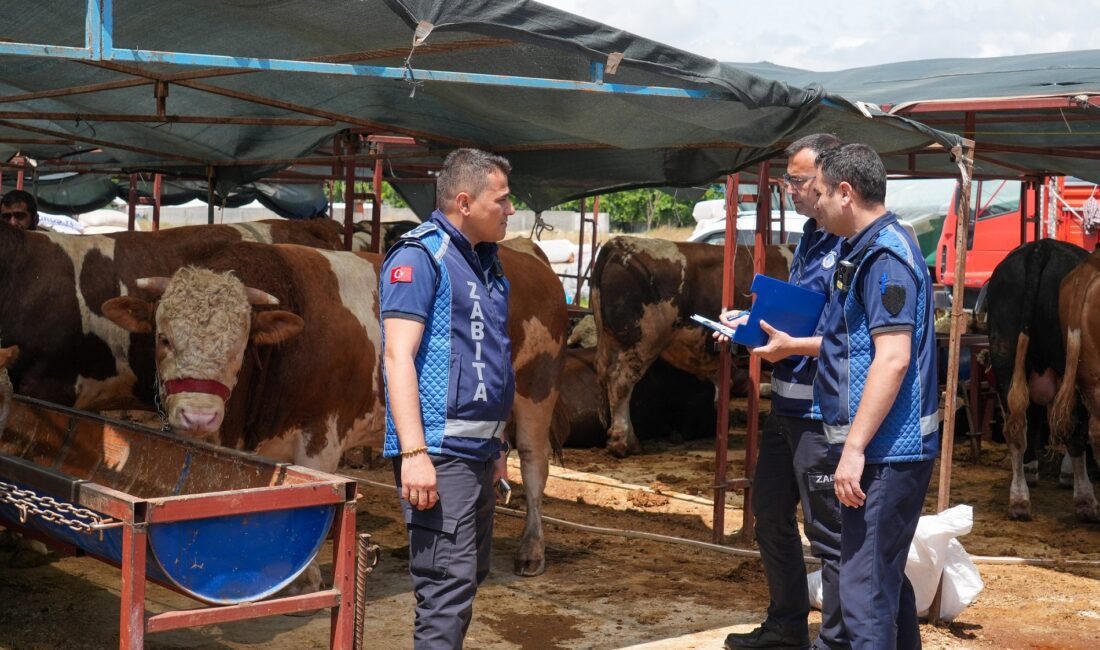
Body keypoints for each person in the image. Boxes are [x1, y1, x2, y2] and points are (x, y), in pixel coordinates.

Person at [379, 148, 516, 649]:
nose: (511, 210)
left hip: (476, 455)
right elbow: (397, 358)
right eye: (501, 200)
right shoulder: (419, 257)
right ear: (464, 201)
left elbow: (487, 359)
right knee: (445, 591)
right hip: (438, 454)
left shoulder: (486, 263)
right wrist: (414, 454)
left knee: (468, 578)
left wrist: (496, 447)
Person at [716, 134, 849, 650]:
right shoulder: (813, 236)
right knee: (768, 511)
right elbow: (801, 315)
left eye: (797, 180)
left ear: (830, 180)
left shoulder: (851, 243)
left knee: (829, 534)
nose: (789, 190)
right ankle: (787, 625)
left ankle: (835, 640)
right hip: (786, 403)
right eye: (788, 180)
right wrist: (750, 323)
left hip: (822, 411)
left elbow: (847, 338)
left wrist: (791, 342)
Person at [811, 144, 938, 649]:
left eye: (819, 194)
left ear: (846, 193)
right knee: (883, 586)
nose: (814, 205)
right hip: (890, 449)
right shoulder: (877, 247)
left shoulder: (884, 259)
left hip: (887, 452)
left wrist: (855, 448)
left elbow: (892, 358)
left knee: (863, 598)